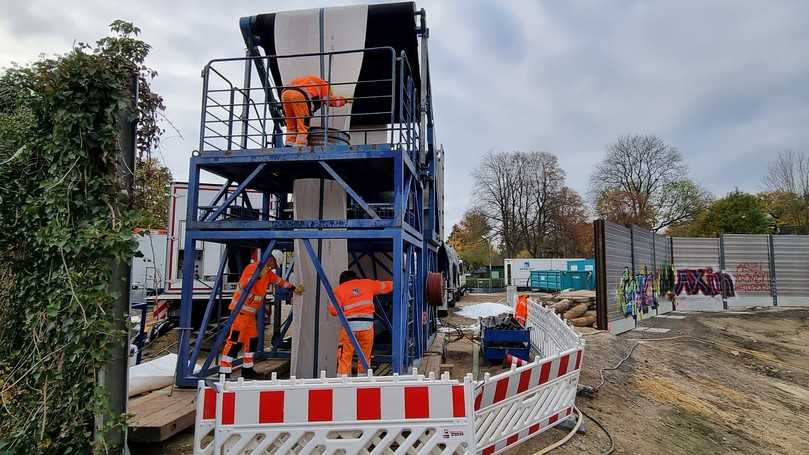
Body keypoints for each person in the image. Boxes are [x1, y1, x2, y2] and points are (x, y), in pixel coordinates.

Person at [220, 251, 302, 379]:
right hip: (240, 312)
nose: (275, 268)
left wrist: (293, 288)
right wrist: (259, 274)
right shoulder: (253, 268)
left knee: (252, 340)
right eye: (275, 264)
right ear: (271, 259)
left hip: (250, 314)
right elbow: (246, 284)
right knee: (235, 341)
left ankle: (247, 370)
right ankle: (224, 371)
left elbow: (280, 281)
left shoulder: (267, 273)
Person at [330, 270, 393, 376]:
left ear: (342, 281)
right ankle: (362, 379)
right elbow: (386, 286)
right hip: (367, 327)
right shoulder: (367, 284)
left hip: (349, 328)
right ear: (356, 277)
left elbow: (333, 311)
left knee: (345, 356)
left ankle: (342, 381)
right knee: (365, 357)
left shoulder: (339, 290)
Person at [280, 75, 348, 146]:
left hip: (285, 94)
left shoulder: (310, 80)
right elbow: (328, 100)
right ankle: (300, 145)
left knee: (291, 124)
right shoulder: (324, 85)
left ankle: (289, 144)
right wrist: (344, 100)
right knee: (302, 125)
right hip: (299, 96)